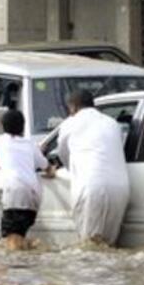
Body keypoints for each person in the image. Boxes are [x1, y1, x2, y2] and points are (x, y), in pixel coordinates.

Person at [58, 90, 130, 246]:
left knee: (89, 248)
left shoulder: (69, 124)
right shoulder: (112, 123)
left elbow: (63, 155)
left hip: (90, 188)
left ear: (73, 107)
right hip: (121, 188)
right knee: (108, 246)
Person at [0, 109, 55, 250]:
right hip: (33, 195)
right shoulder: (30, 145)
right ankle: (34, 249)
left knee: (11, 240)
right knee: (18, 236)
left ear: (3, 126)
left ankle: (28, 258)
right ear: (23, 126)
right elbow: (47, 168)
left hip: (13, 193)